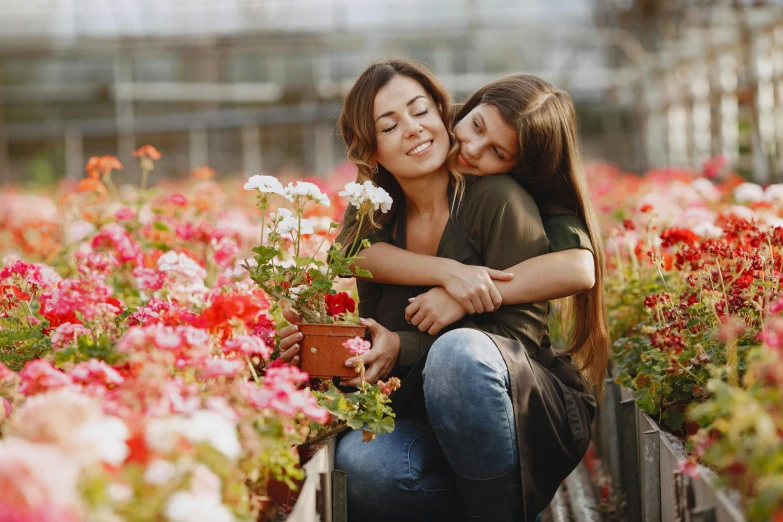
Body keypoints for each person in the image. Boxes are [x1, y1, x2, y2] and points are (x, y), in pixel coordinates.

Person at [277, 59, 606, 522]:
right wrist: (321, 342)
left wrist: (403, 344)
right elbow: (348, 257)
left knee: (460, 355)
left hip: (504, 407)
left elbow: (521, 340)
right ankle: (482, 507)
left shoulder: (499, 198)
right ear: (370, 149)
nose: (412, 130)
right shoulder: (374, 205)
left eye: (419, 111)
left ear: (439, 110)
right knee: (366, 468)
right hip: (411, 405)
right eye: (389, 125)